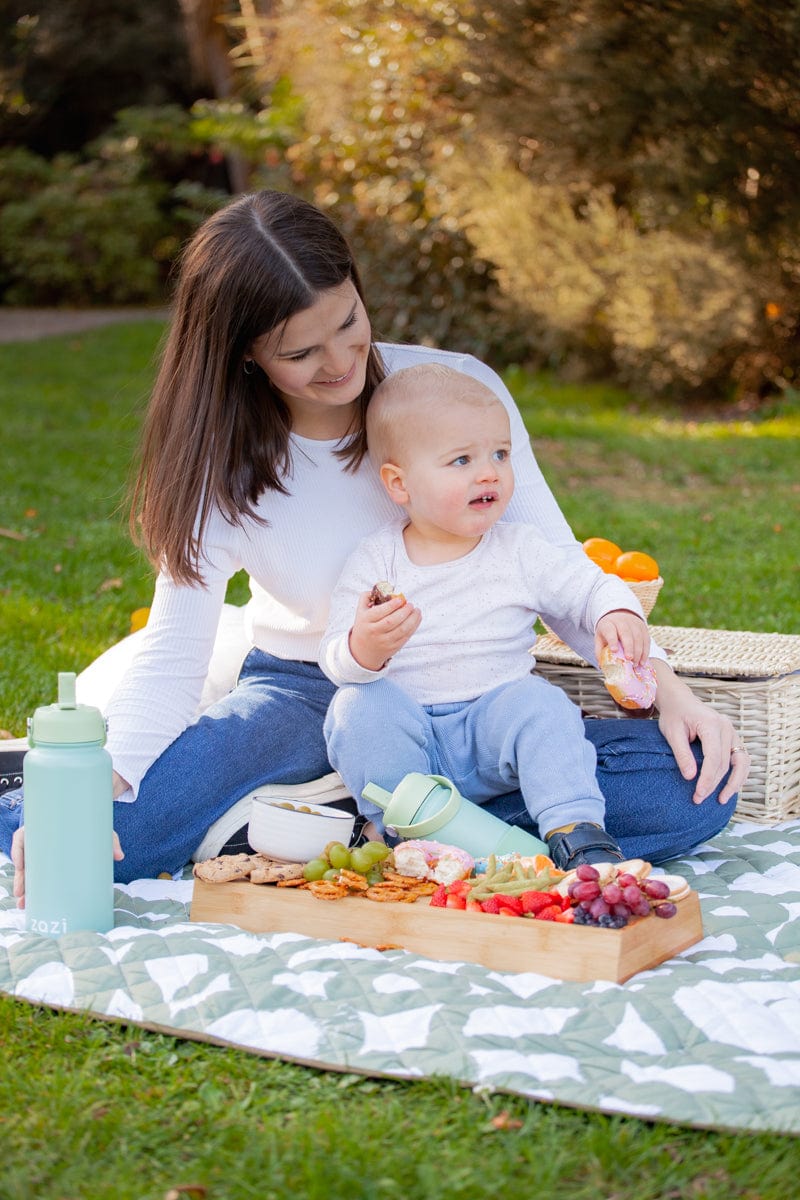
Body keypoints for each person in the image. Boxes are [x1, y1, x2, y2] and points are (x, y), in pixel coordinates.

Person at [1, 188, 749, 896]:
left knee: (692, 790)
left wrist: (669, 693)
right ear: (245, 354)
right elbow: (171, 659)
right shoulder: (219, 469)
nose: (339, 363)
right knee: (105, 834)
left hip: (474, 697)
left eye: (348, 322)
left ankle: (360, 829)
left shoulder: (454, 390)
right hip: (305, 695)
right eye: (300, 353)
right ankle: (389, 824)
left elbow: (555, 570)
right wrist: (91, 793)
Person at [320, 364, 656, 868]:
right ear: (399, 483)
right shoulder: (377, 559)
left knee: (542, 706)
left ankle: (573, 827)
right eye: (461, 460)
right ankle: (395, 832)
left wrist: (615, 609)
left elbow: (588, 584)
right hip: (410, 737)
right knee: (357, 707)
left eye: (500, 453)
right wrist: (364, 648)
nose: (488, 472)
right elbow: (334, 658)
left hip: (494, 726)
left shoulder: (520, 549)